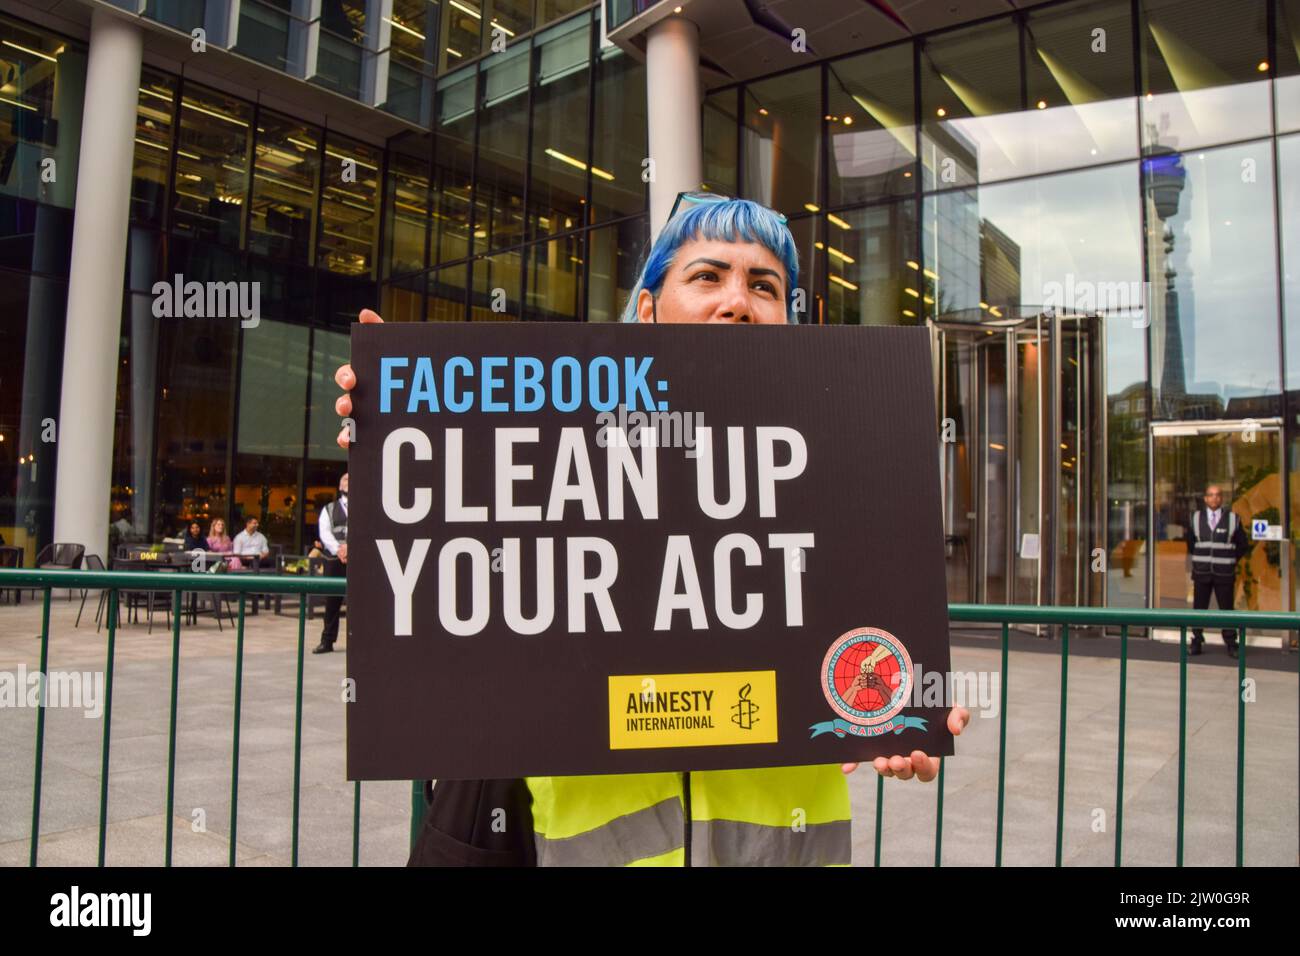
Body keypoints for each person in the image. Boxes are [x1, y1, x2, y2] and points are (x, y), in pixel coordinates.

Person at [333, 196, 969, 866]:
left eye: (764, 285)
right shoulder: (554, 457)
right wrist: (394, 429)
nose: (737, 301)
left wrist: (905, 712)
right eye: (707, 276)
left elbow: (873, 662)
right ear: (647, 309)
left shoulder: (845, 481)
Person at [1185, 483, 1249, 657]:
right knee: (1199, 610)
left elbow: (1243, 545)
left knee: (1227, 610)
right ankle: (1196, 642)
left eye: (1217, 495)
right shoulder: (1195, 518)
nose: (1214, 498)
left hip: (1224, 573)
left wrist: (1229, 560)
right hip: (1202, 573)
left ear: (1221, 498)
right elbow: (1191, 544)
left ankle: (1231, 644)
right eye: (1211, 495)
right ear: (1205, 499)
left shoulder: (1233, 519)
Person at [313, 474, 348, 654]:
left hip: (359, 558)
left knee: (363, 601)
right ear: (339, 485)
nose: (348, 481)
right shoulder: (329, 508)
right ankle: (327, 640)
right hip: (335, 560)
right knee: (332, 601)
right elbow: (325, 533)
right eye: (345, 479)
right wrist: (339, 549)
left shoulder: (367, 506)